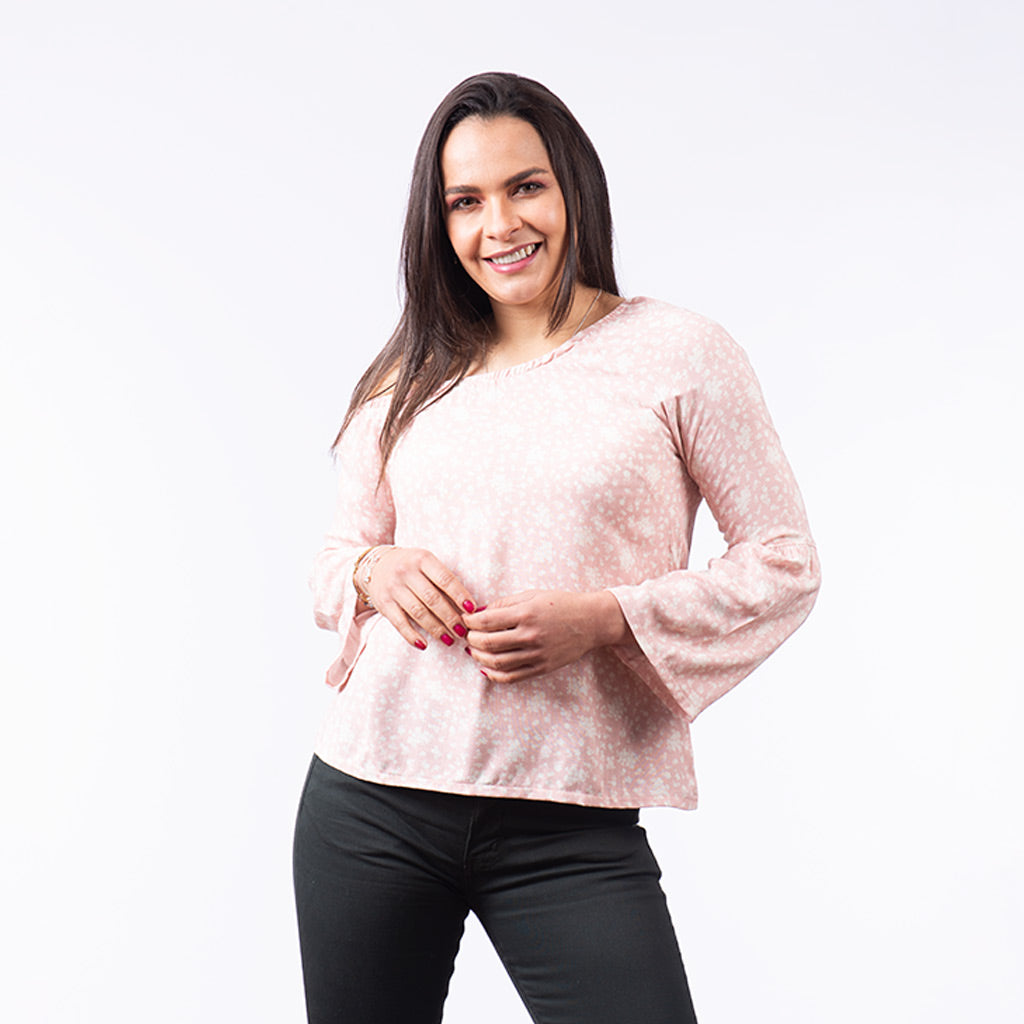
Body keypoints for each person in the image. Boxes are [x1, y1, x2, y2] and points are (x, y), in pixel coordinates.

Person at [293, 72, 820, 1024]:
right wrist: (375, 569)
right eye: (465, 201)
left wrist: (608, 618)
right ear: (438, 222)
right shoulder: (409, 372)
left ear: (574, 187)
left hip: (567, 822)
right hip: (369, 801)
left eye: (525, 186)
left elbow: (783, 562)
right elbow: (339, 557)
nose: (500, 224)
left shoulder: (679, 352)